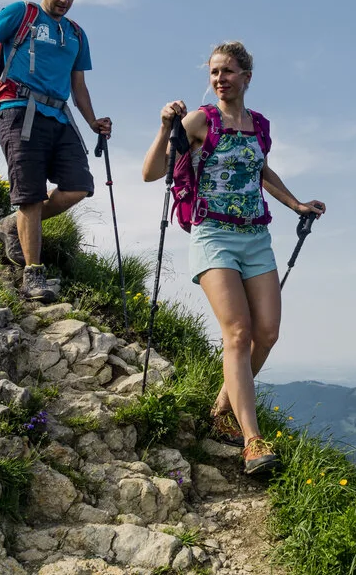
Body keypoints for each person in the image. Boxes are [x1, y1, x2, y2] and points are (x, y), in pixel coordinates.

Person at [143, 41, 326, 475]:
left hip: (255, 237)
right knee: (239, 334)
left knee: (268, 333)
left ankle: (223, 404)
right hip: (213, 234)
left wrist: (296, 205)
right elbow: (152, 172)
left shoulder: (258, 125)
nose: (219, 79)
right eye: (213, 73)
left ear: (246, 76)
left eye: (227, 71)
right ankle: (252, 441)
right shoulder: (198, 121)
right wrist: (164, 127)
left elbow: (261, 171)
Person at [0, 0, 112, 302]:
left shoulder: (76, 33)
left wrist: (92, 121)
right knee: (29, 194)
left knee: (78, 187)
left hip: (59, 116)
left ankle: (11, 225)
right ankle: (33, 275)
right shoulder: (22, 12)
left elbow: (79, 85)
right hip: (18, 108)